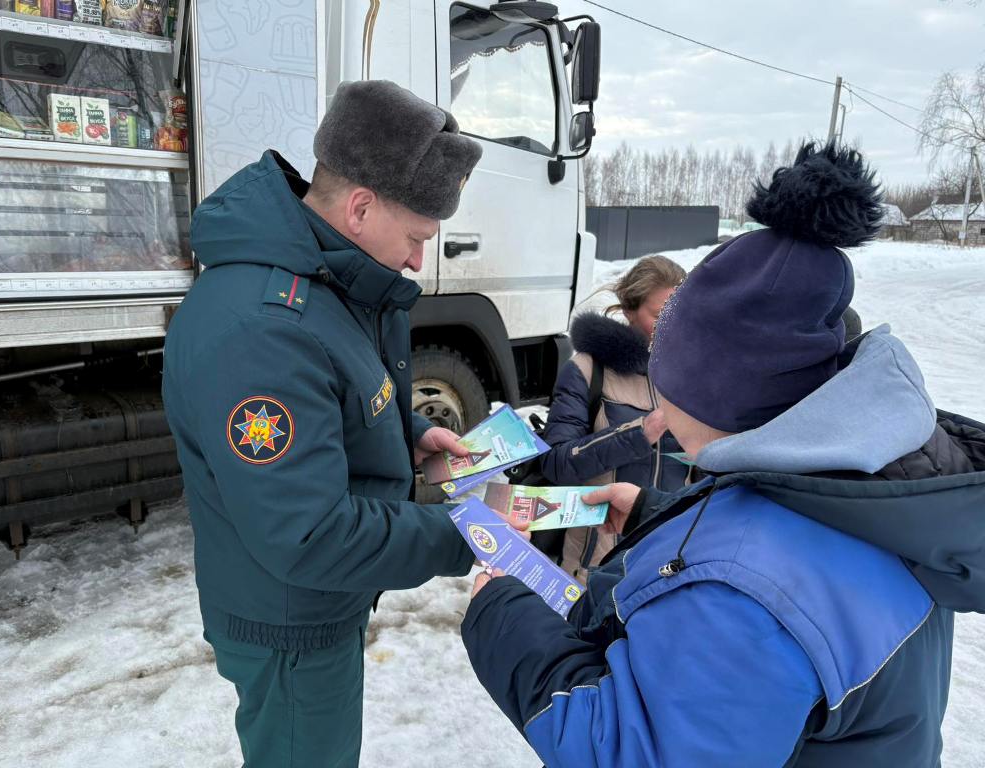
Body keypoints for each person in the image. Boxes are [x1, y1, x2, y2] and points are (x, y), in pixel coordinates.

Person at [461, 143, 985, 766]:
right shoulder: (874, 487)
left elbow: (631, 750)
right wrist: (658, 514)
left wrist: (500, 610)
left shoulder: (742, 595)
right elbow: (785, 547)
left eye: (668, 374)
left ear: (714, 392)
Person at [162, 80, 483, 768]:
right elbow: (308, 534)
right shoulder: (265, 327)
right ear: (361, 208)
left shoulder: (325, 284)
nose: (417, 260)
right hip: (291, 627)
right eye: (416, 237)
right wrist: (469, 533)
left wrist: (408, 437)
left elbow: (334, 397)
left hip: (311, 609)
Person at [539, 255, 692, 582]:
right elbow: (556, 462)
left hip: (669, 560)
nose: (672, 325)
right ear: (629, 311)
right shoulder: (588, 369)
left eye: (681, 313)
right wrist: (640, 433)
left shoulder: (693, 375)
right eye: (659, 315)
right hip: (597, 563)